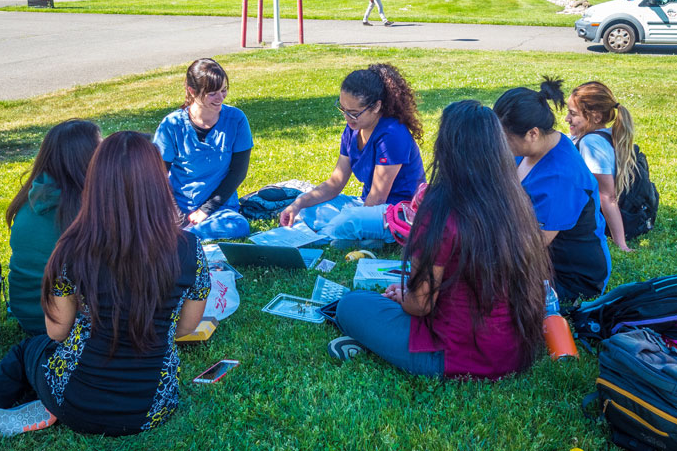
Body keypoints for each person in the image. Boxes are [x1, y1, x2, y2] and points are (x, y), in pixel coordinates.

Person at [0, 132, 209, 449]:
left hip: (75, 404)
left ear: (96, 183)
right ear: (158, 182)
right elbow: (186, 327)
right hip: (153, 409)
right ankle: (37, 405)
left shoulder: (73, 248)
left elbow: (56, 332)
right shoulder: (191, 249)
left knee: (27, 351)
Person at [329, 100, 551, 380]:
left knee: (351, 305)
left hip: (452, 354)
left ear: (446, 149)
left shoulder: (440, 208)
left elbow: (420, 305)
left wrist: (406, 299)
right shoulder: (515, 201)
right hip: (515, 351)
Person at [279, 63, 424, 249]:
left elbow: (378, 198)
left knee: (347, 221)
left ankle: (349, 237)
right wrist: (298, 204)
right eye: (343, 109)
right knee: (308, 211)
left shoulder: (392, 134)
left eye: (354, 113)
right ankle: (359, 239)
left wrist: (353, 219)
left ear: (377, 106)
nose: (347, 118)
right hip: (366, 204)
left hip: (396, 212)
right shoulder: (352, 130)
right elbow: (334, 184)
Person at [494, 77, 611, 303]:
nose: (499, 144)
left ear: (533, 133)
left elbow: (529, 247)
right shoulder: (540, 145)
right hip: (542, 262)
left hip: (573, 279)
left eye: (504, 138)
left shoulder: (560, 176)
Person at [5, 119, 101, 336]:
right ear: (85, 158)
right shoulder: (82, 212)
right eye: (101, 148)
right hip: (61, 322)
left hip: (27, 314)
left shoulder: (31, 196)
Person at [153, 58, 252, 241]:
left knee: (238, 226)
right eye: (213, 93)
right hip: (176, 207)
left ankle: (182, 238)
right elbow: (157, 176)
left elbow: (238, 173)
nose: (221, 98)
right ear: (192, 91)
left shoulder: (236, 119)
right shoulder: (172, 125)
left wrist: (205, 211)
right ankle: (179, 233)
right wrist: (179, 217)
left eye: (224, 90)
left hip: (218, 209)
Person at [566, 81, 637, 252]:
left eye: (573, 114)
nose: (567, 118)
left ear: (596, 117)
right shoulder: (604, 134)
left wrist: (621, 244)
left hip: (589, 218)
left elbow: (607, 196)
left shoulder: (591, 143)